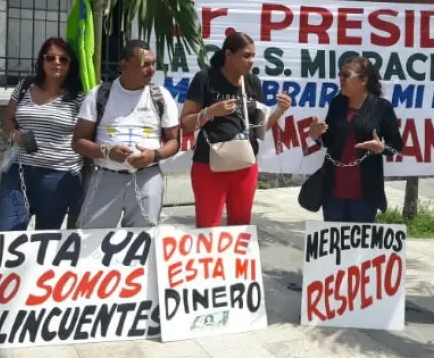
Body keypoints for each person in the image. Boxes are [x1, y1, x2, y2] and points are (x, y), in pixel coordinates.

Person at [180, 32, 291, 228]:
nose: (251, 61)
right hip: (209, 165)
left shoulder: (252, 82)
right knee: (208, 230)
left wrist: (279, 112)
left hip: (245, 166)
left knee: (240, 229)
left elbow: (260, 129)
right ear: (228, 55)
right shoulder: (205, 78)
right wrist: (210, 112)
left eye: (253, 56)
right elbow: (186, 123)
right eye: (246, 56)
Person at [71, 40, 180, 228]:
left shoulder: (161, 96)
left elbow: (174, 142)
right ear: (124, 65)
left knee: (143, 239)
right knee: (93, 239)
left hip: (148, 177)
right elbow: (78, 142)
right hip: (106, 177)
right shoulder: (99, 94)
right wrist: (106, 151)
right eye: (145, 64)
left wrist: (153, 155)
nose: (152, 70)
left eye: (154, 63)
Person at [0, 37, 85, 232]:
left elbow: (85, 135)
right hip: (18, 171)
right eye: (50, 58)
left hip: (58, 176)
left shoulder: (79, 95)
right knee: (6, 232)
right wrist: (14, 135)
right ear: (42, 61)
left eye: (63, 59)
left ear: (71, 64)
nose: (56, 63)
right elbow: (7, 119)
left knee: (44, 237)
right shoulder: (25, 86)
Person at [306, 56, 403, 223]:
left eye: (346, 75)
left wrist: (381, 148)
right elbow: (328, 142)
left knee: (361, 249)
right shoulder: (337, 103)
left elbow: (397, 146)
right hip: (333, 193)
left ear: (363, 79)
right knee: (333, 246)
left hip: (365, 195)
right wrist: (316, 136)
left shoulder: (382, 107)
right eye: (340, 75)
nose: (341, 79)